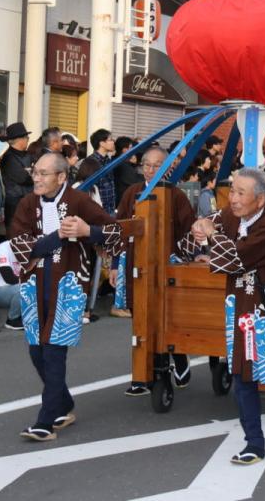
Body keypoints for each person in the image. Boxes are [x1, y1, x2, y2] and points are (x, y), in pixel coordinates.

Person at [190, 168, 265, 463]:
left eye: (240, 193)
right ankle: (253, 443)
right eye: (232, 191)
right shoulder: (231, 215)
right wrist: (200, 225)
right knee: (243, 373)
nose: (232, 198)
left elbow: (234, 258)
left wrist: (211, 234)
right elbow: (208, 222)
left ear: (260, 199)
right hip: (242, 306)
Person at [9, 152, 122, 442]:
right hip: (34, 285)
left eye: (43, 173)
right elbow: (20, 245)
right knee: (36, 350)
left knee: (54, 350)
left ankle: (45, 422)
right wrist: (57, 236)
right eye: (35, 172)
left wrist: (88, 231)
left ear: (61, 177)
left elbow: (115, 232)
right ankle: (64, 403)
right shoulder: (27, 203)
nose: (36, 178)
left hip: (69, 284)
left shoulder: (78, 200)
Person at [113, 145, 200, 393]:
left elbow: (189, 232)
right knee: (140, 320)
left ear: (168, 168)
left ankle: (177, 358)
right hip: (135, 264)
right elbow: (119, 229)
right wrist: (116, 265)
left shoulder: (176, 195)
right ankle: (144, 377)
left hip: (166, 267)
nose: (151, 170)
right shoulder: (132, 192)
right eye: (147, 165)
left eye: (157, 165)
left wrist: (188, 259)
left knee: (165, 319)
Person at [0, 121, 34, 226]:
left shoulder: (29, 155)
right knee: (14, 231)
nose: (28, 140)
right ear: (20, 140)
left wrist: (31, 172)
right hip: (14, 204)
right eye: (27, 138)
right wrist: (32, 173)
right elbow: (24, 178)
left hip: (28, 201)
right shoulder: (8, 157)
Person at [0, 238, 24, 329]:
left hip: (14, 288)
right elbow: (9, 278)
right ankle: (12, 319)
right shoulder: (3, 248)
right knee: (25, 287)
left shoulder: (30, 245)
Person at [83, 129, 118, 215]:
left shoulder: (108, 160)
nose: (113, 142)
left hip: (110, 209)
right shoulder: (90, 162)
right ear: (102, 143)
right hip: (97, 210)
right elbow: (89, 189)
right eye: (110, 140)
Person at [114, 136, 141, 201]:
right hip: (123, 198)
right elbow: (135, 180)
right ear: (124, 149)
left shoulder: (118, 160)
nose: (132, 150)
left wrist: (133, 164)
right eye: (131, 147)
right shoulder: (122, 164)